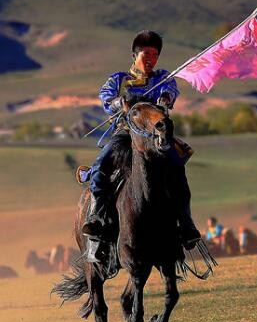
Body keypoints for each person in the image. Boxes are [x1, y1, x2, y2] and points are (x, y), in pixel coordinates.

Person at [81, 30, 201, 261]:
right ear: (135, 54)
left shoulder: (164, 77)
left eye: (155, 54)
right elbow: (105, 98)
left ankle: (186, 225)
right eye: (146, 53)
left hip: (156, 139)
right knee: (101, 166)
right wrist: (120, 103)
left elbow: (171, 93)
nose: (151, 58)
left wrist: (165, 100)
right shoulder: (118, 79)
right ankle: (97, 218)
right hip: (125, 135)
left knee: (177, 169)